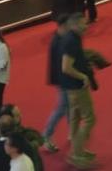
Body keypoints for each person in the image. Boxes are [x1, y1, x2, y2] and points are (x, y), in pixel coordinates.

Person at [60, 13, 95, 168]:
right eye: (83, 24)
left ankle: (77, 150)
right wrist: (83, 77)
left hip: (69, 87)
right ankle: (77, 153)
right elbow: (66, 67)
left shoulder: (71, 38)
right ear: (74, 25)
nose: (86, 26)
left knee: (75, 119)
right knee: (89, 119)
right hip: (76, 87)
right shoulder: (72, 41)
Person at [40, 15, 73, 152]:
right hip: (63, 80)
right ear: (63, 26)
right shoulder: (59, 42)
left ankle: (73, 131)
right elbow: (63, 65)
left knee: (70, 105)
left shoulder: (58, 39)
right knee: (62, 107)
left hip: (62, 79)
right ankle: (46, 135)